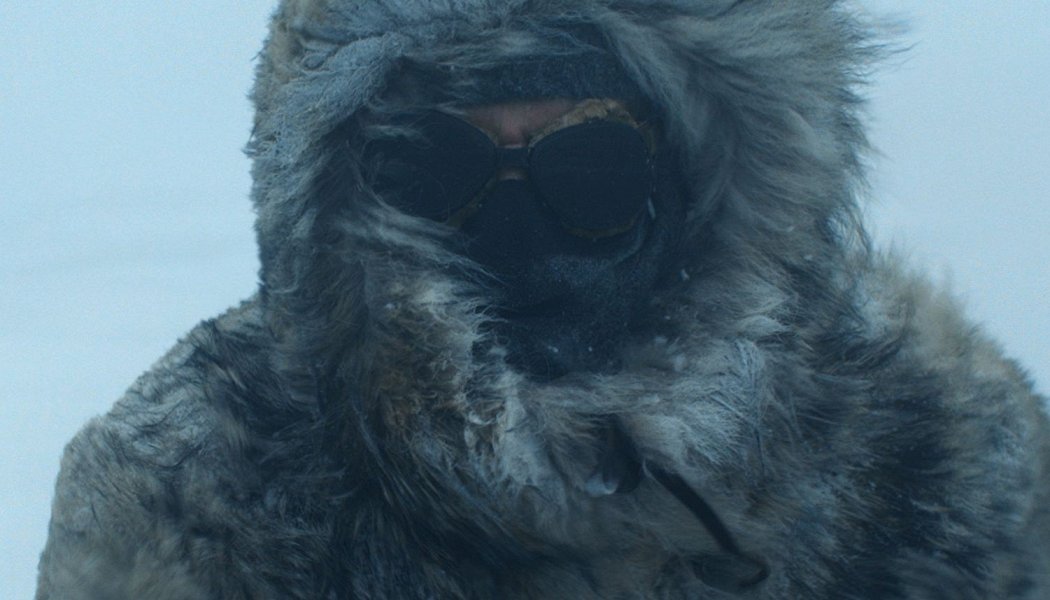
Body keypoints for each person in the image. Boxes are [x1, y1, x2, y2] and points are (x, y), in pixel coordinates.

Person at [37, 1, 1050, 598]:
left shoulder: (942, 451)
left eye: (591, 163)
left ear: (697, 177)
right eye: (439, 164)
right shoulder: (195, 492)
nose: (517, 216)